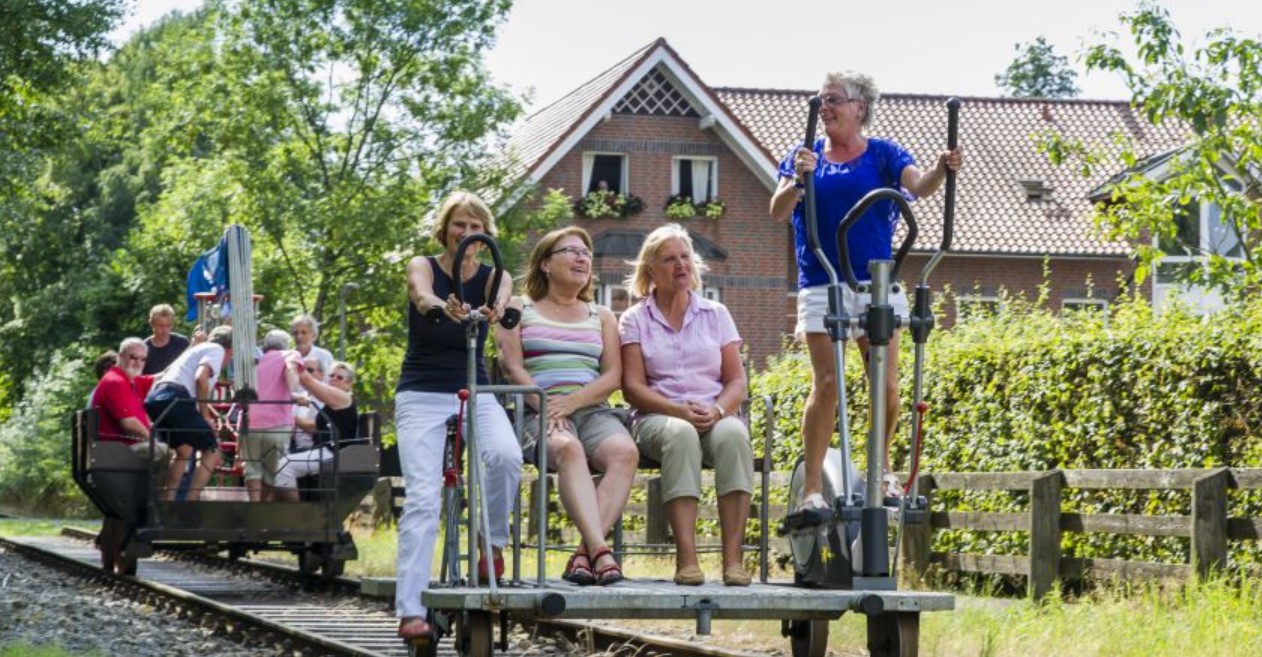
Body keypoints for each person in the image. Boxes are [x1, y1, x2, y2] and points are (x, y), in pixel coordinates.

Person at [769, 71, 964, 506]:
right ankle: (814, 489)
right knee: (826, 385)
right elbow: (777, 210)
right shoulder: (803, 155)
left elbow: (920, 186)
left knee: (888, 385)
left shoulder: (884, 153)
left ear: (860, 107)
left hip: (877, 281)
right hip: (823, 279)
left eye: (834, 99)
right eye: (821, 101)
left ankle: (881, 470)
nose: (826, 108)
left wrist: (941, 167)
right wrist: (798, 181)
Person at [394, 191, 521, 639]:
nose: (466, 234)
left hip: (475, 386)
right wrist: (437, 306)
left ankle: (491, 544)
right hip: (422, 392)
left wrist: (501, 305)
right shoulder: (424, 264)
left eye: (475, 227)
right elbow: (420, 292)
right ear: (445, 229)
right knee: (424, 498)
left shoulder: (490, 275)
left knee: (506, 457)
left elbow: (505, 289)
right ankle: (411, 609)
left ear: (486, 234)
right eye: (459, 225)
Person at [497, 226, 638, 586]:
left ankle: (584, 554)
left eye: (587, 254)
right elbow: (511, 367)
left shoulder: (601, 315)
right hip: (536, 411)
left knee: (624, 451)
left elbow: (613, 377)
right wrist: (546, 406)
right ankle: (601, 551)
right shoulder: (518, 308)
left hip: (592, 410)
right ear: (545, 263)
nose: (582, 258)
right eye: (571, 251)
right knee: (568, 449)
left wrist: (572, 402)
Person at [618, 224, 754, 587]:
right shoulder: (633, 319)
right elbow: (631, 387)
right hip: (657, 418)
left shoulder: (716, 313)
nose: (681, 265)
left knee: (734, 436)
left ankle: (733, 560)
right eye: (669, 259)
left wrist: (719, 410)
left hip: (713, 412)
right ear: (651, 270)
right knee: (680, 435)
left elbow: (737, 381)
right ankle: (687, 558)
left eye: (685, 257)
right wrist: (677, 411)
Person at [144, 325, 231, 501]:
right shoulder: (216, 349)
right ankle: (190, 505)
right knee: (213, 452)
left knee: (184, 451)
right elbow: (201, 378)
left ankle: (168, 502)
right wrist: (206, 417)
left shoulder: (197, 350)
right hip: (175, 398)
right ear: (231, 349)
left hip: (156, 399)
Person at [273, 361, 359, 502]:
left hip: (334, 453)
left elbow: (310, 384)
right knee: (279, 464)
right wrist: (285, 412)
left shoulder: (344, 398)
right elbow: (313, 427)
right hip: (325, 451)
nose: (333, 379)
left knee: (283, 466)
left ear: (348, 384)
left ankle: (295, 515)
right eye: (331, 375)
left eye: (339, 377)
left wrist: (293, 363)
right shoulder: (332, 404)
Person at [240, 329, 302, 501]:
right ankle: (263, 510)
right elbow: (290, 369)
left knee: (252, 469)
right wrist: (294, 392)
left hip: (251, 423)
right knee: (273, 471)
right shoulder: (290, 354)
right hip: (278, 423)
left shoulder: (255, 361)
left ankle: (254, 508)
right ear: (286, 345)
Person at [143, 304, 191, 375]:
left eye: (168, 325)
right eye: (160, 326)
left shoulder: (182, 343)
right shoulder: (143, 348)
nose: (165, 330)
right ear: (152, 324)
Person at [291, 314, 334, 380]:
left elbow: (329, 382)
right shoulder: (288, 357)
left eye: (303, 332)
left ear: (313, 336)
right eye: (296, 333)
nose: (299, 336)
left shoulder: (324, 356)